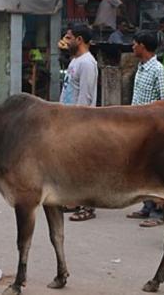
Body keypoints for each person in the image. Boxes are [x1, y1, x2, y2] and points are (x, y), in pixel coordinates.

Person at [125, 31, 164, 227]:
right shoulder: (141, 67)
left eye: (135, 44)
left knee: (154, 170)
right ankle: (146, 206)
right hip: (137, 125)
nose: (132, 47)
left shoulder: (158, 70)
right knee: (141, 168)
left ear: (143, 46)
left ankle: (158, 213)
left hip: (152, 128)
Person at [59, 23, 99, 222]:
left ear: (79, 40)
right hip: (68, 120)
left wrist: (79, 123)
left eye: (68, 37)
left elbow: (86, 95)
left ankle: (88, 206)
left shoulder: (87, 63)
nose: (66, 42)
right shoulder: (75, 60)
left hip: (80, 122)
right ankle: (74, 201)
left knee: (84, 166)